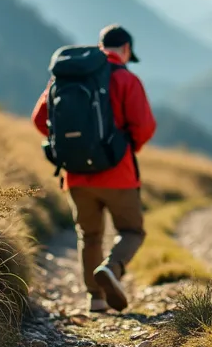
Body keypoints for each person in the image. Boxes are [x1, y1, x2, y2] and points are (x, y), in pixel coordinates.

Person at [31, 24, 156, 313]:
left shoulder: (68, 78)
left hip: (75, 175)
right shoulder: (127, 79)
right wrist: (122, 148)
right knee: (132, 231)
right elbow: (145, 126)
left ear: (100, 47)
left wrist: (72, 147)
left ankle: (95, 298)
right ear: (125, 50)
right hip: (118, 173)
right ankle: (112, 268)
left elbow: (40, 119)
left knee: (89, 235)